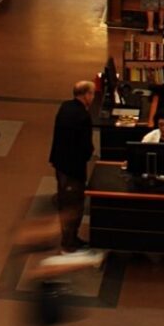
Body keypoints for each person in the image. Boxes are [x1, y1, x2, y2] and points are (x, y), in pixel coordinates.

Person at [48, 80, 96, 253]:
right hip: (73, 168)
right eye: (92, 94)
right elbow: (85, 145)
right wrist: (89, 153)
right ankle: (69, 242)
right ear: (86, 95)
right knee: (73, 205)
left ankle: (69, 238)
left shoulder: (65, 106)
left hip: (60, 163)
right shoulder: (82, 116)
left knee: (64, 201)